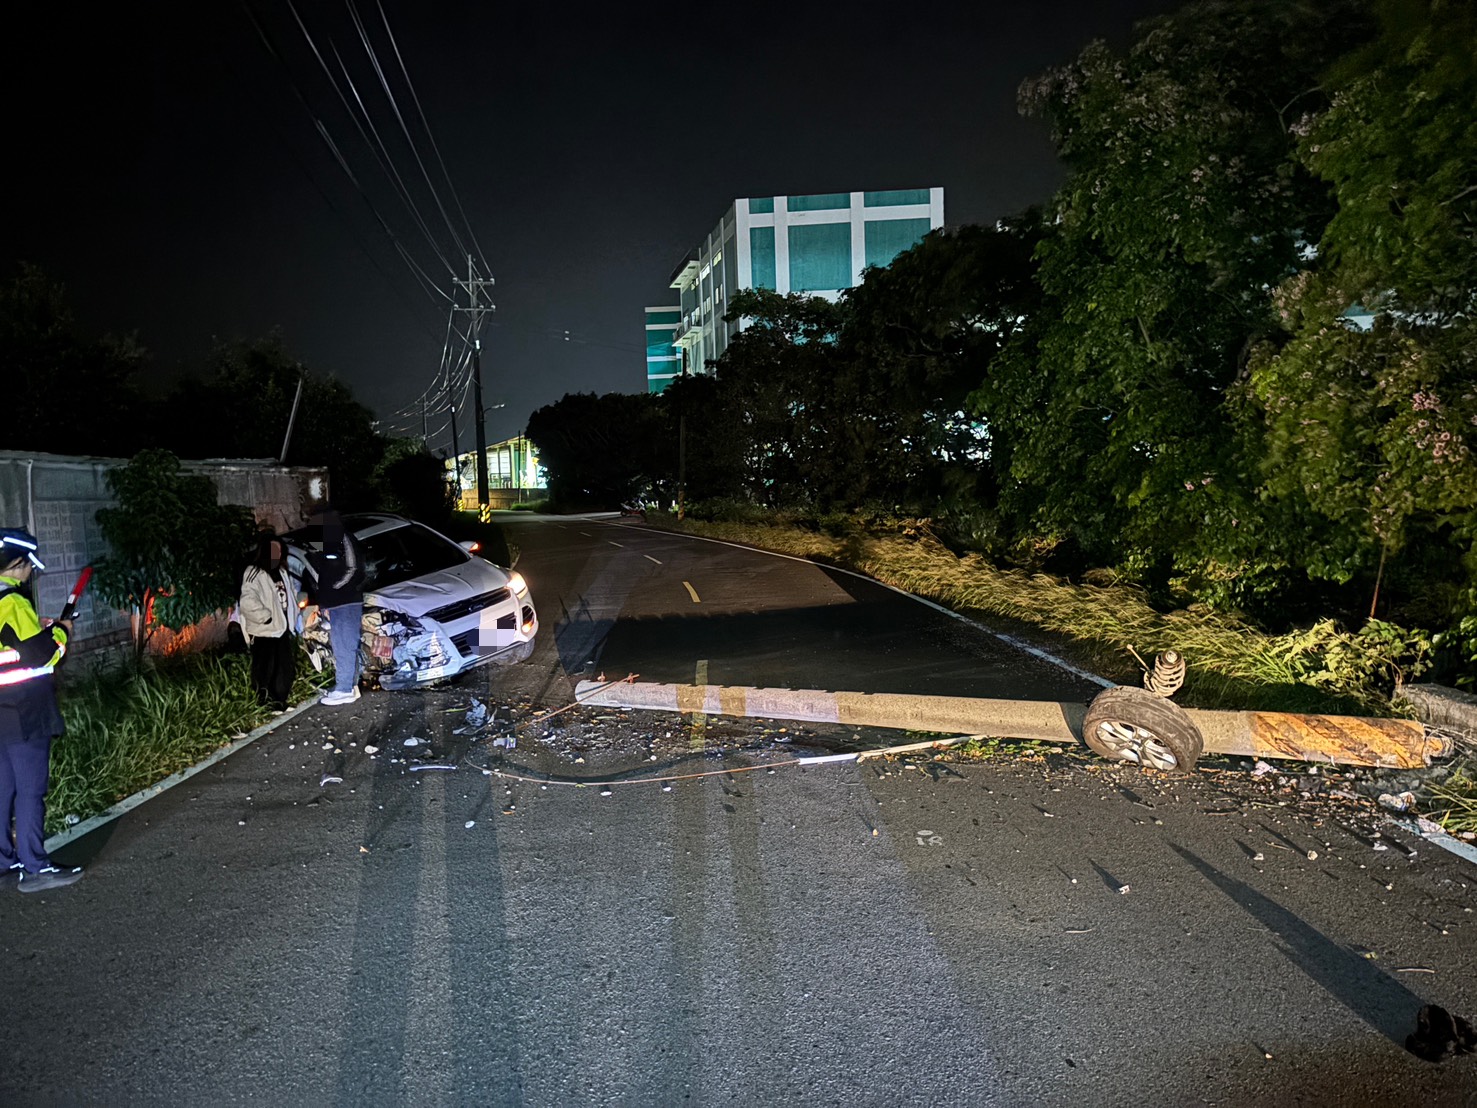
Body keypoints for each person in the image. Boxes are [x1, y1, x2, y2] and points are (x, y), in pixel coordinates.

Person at [0, 528, 82, 893]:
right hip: (24, 710)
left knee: (3, 789)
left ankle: (4, 858)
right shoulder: (13, 603)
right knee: (31, 789)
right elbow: (40, 656)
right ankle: (34, 866)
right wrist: (61, 633)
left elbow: (16, 644)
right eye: (28, 567)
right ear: (17, 564)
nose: (31, 573)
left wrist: (41, 630)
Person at [302, 504, 365, 706]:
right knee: (342, 646)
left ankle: (344, 689)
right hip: (336, 604)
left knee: (345, 646)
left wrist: (335, 590)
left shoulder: (344, 539)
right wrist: (326, 601)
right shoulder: (326, 543)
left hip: (346, 602)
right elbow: (323, 574)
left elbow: (354, 568)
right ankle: (349, 686)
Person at [238, 533, 296, 711]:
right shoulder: (254, 572)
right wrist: (265, 617)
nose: (276, 553)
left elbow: (291, 596)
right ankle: (265, 704)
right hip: (264, 630)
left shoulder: (282, 572)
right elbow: (247, 600)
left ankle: (279, 702)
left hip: (282, 628)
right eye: (273, 550)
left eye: (279, 550)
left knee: (284, 668)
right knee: (265, 669)